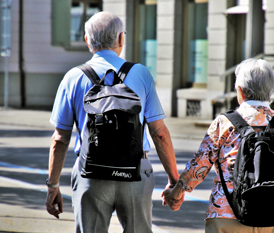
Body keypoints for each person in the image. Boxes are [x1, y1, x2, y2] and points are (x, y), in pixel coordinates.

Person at [45, 11, 180, 233]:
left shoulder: (73, 77)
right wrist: (174, 180)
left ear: (87, 40)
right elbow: (159, 133)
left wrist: (53, 186)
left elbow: (60, 139)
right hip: (136, 172)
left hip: (91, 174)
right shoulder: (141, 74)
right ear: (120, 39)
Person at [162, 58, 274, 233]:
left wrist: (176, 192)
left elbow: (200, 165)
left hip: (226, 216)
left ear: (241, 91)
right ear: (270, 92)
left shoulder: (224, 123)